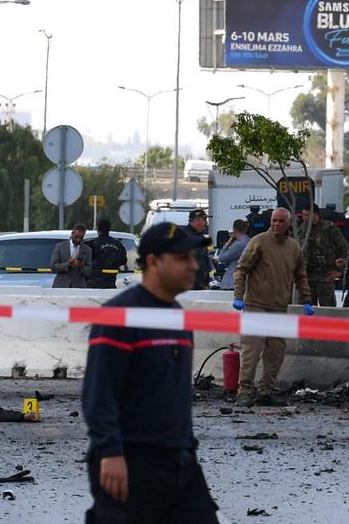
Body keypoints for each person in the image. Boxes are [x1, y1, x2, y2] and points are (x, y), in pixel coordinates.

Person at [83, 222, 220, 523]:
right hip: (132, 462)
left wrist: (188, 450)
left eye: (193, 257)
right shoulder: (120, 316)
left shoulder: (176, 317)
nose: (193, 265)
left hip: (180, 462)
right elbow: (99, 393)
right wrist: (110, 452)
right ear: (154, 263)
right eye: (182, 258)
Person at [233, 207, 311, 406]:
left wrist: (307, 299)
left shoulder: (294, 248)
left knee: (276, 352)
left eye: (280, 221)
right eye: (273, 220)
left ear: (288, 224)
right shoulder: (258, 241)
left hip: (278, 308)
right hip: (256, 306)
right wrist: (238, 296)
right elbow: (241, 269)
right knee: (252, 349)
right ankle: (244, 391)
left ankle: (265, 391)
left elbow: (301, 276)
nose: (276, 224)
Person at [301, 204, 348, 307]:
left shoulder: (329, 228)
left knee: (328, 313)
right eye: (303, 215)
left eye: (307, 215)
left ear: (316, 214)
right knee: (306, 313)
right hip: (307, 278)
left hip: (325, 278)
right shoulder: (302, 229)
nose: (304, 217)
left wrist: (340, 272)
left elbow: (345, 250)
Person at [87, 218, 128, 289]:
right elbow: (124, 260)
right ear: (109, 229)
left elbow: (86, 260)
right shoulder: (118, 244)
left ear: (97, 229)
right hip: (111, 282)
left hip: (94, 284)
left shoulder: (92, 244)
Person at [51, 223, 92, 288]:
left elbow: (89, 272)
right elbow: (53, 266)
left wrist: (81, 266)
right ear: (72, 234)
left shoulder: (87, 250)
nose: (78, 240)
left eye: (81, 238)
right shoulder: (60, 247)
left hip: (79, 287)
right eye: (76, 237)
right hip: (61, 286)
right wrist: (67, 264)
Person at [216, 219, 249, 290]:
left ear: (234, 229)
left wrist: (227, 244)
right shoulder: (249, 241)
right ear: (246, 229)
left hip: (232, 281)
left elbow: (221, 258)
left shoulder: (239, 244)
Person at [185, 209, 213, 290]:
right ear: (196, 220)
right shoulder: (189, 237)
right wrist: (199, 285)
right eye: (204, 220)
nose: (206, 223)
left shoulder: (199, 236)